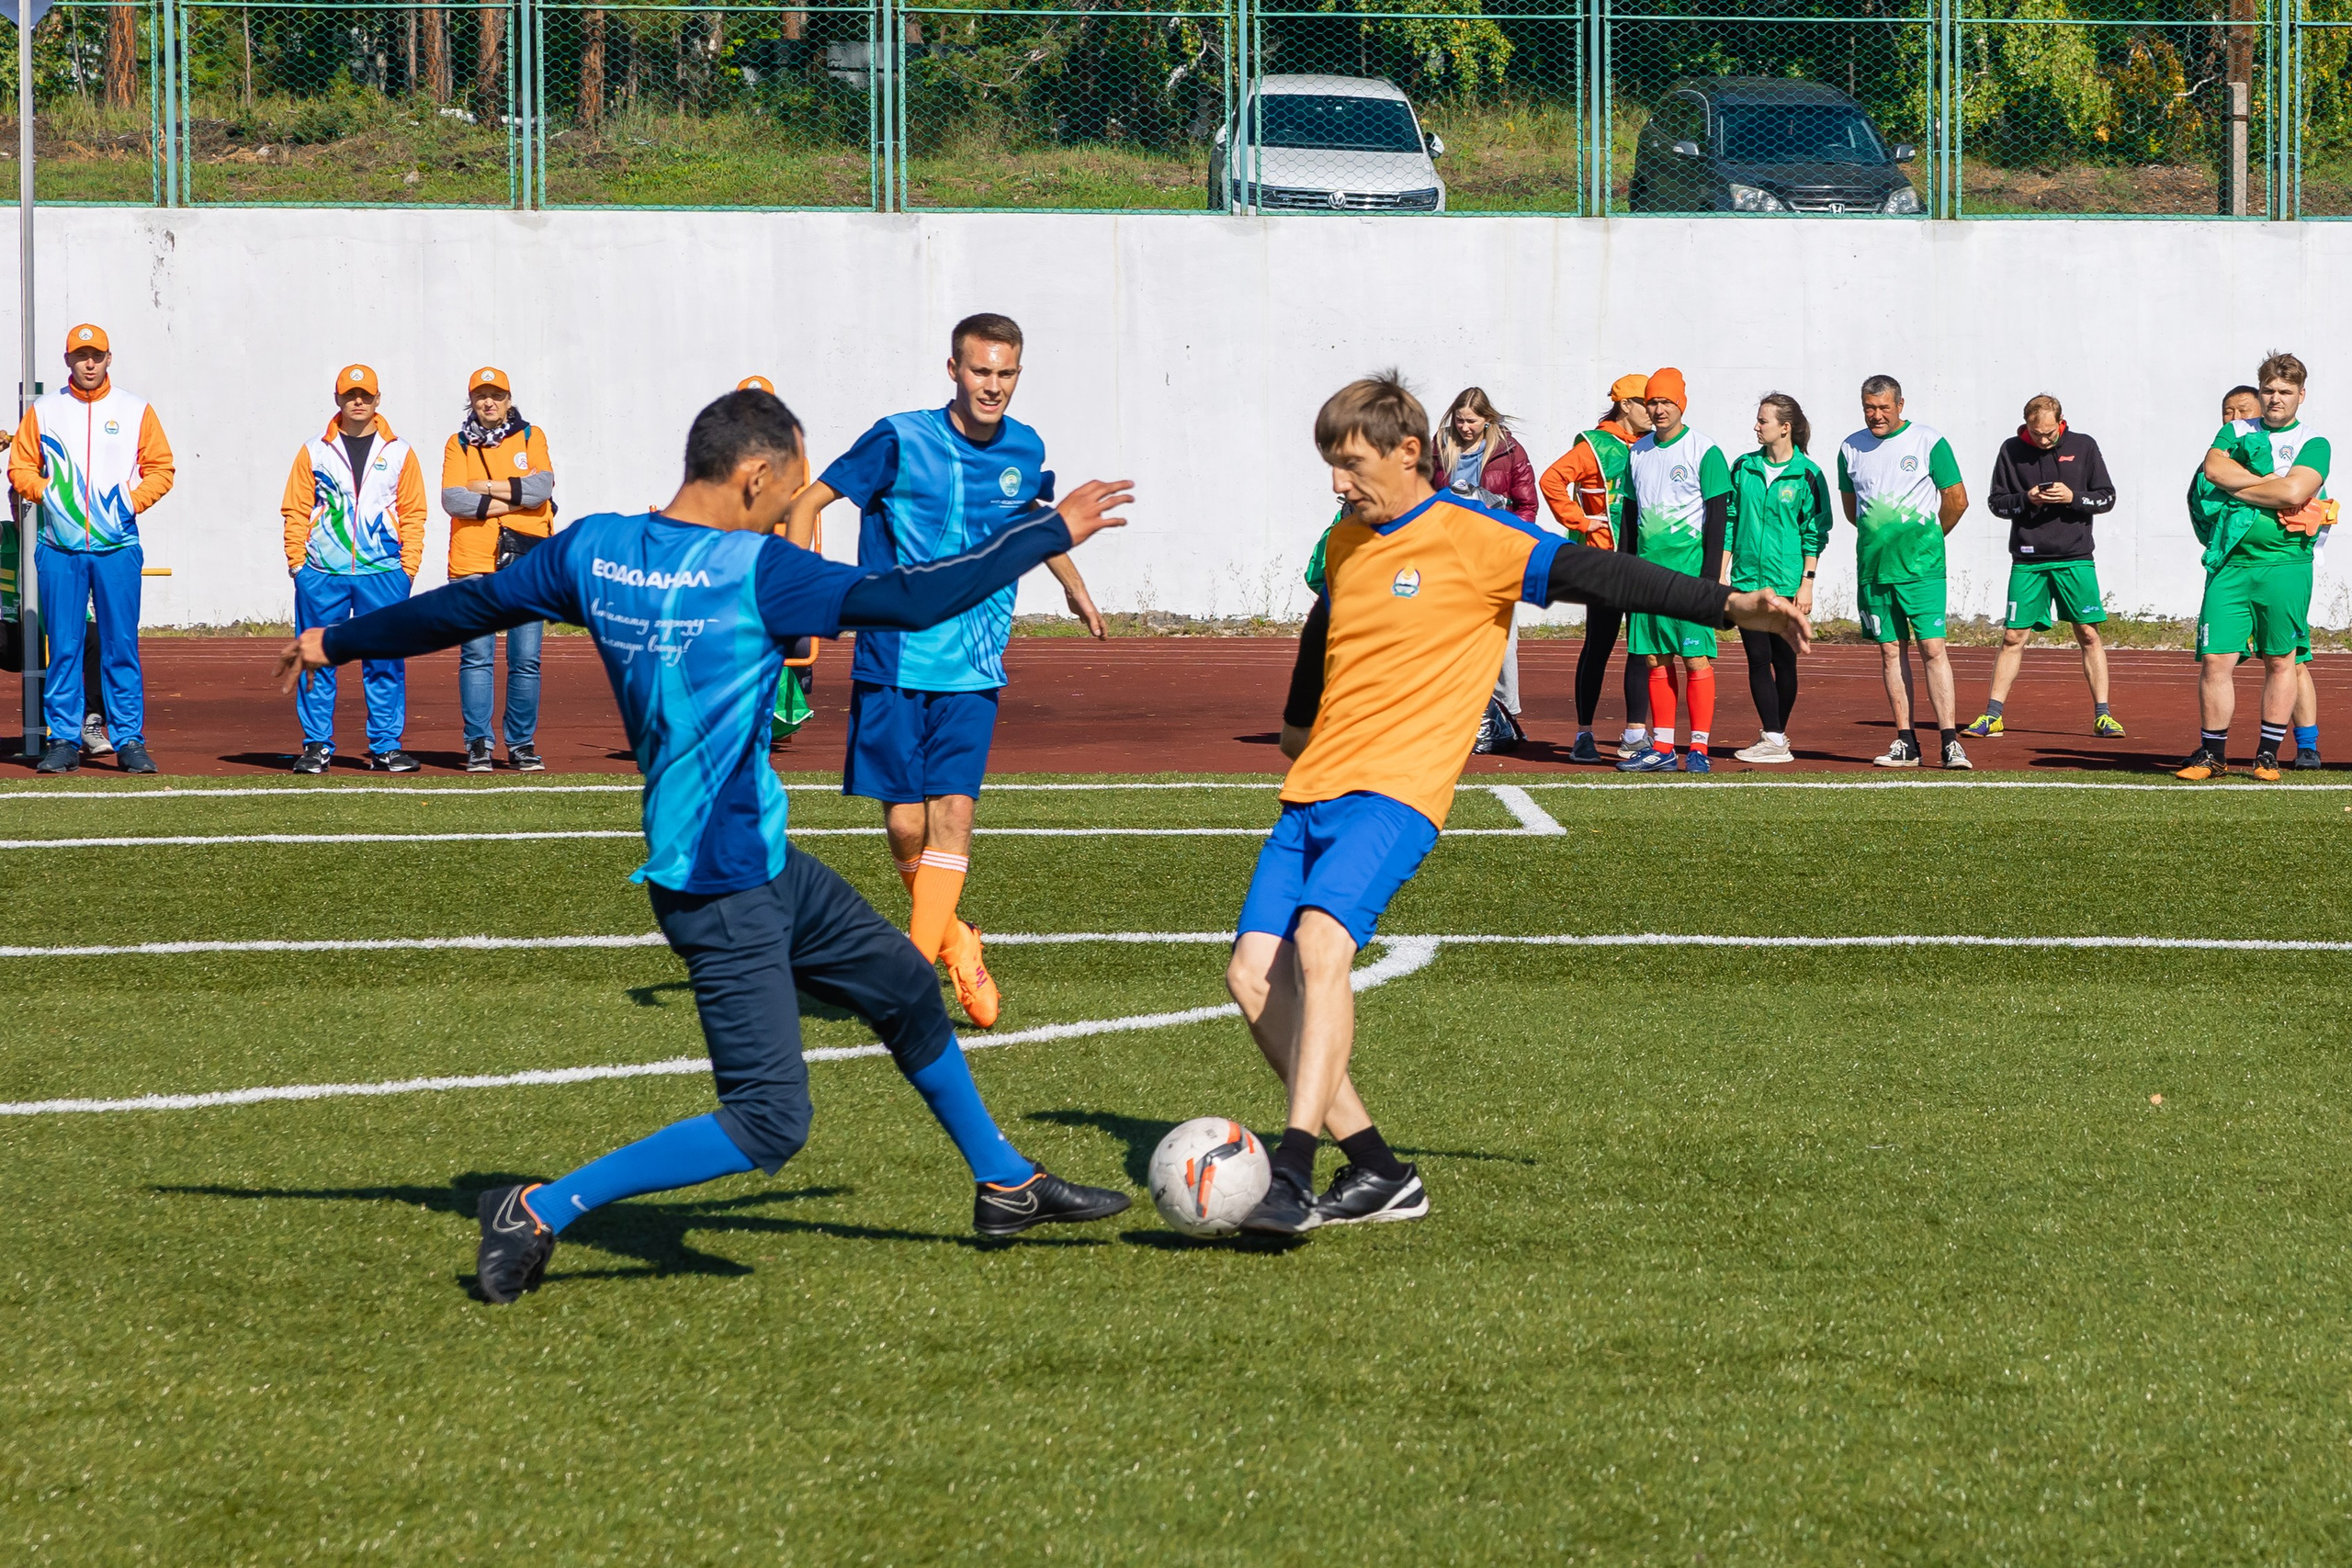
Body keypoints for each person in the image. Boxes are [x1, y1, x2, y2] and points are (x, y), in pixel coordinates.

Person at [275, 388, 1137, 1303]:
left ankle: (1004, 1181)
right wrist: (1047, 532)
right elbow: (915, 599)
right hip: (714, 883)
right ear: (756, 475)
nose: (794, 508)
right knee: (769, 1123)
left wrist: (336, 640)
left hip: (763, 860)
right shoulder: (758, 569)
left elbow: (466, 606)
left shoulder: (597, 548)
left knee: (899, 987)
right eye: (792, 489)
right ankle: (534, 1209)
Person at [1230, 371, 1811, 1235]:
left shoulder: (1480, 537)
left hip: (1397, 791)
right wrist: (1294, 720)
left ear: (1407, 453)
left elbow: (1607, 575)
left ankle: (1292, 1170)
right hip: (1313, 786)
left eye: (1350, 464)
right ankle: (1381, 1171)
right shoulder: (1348, 542)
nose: (1337, 483)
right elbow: (1326, 622)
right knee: (1248, 976)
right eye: (1329, 465)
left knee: (1319, 947)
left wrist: (1731, 605)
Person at [781, 313, 1105, 1030]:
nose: (993, 386)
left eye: (1006, 373)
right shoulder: (900, 437)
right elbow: (809, 500)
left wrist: (1071, 581)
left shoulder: (1026, 447)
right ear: (953, 369)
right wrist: (801, 592)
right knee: (904, 826)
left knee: (953, 813)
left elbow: (1031, 516)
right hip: (893, 654)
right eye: (981, 371)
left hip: (975, 663)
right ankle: (957, 940)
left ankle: (909, 979)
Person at [10, 323, 175, 774]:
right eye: (80, 356)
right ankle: (62, 739)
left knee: (121, 646)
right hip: (59, 548)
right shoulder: (45, 411)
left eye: (96, 356)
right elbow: (20, 465)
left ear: (108, 358)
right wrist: (47, 493)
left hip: (117, 546)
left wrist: (128, 502)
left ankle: (129, 740)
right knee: (64, 646)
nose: (89, 363)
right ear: (67, 361)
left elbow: (161, 468)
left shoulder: (135, 409)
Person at [2177, 352, 2334, 782]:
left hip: (2286, 563)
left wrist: (2242, 486)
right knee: (2215, 660)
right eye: (2268, 390)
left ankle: (2267, 755)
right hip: (2231, 562)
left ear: (2301, 395)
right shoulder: (2235, 429)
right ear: (2259, 391)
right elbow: (2213, 470)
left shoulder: (2314, 443)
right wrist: (2274, 486)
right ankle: (2212, 755)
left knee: (2281, 660)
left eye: (2285, 391)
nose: (2275, 398)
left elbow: (2297, 490)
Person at [281, 364, 427, 774]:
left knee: (384, 661)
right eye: (350, 395)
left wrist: (407, 568)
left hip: (383, 574)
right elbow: (295, 508)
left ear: (378, 400)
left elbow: (414, 512)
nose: (358, 402)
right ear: (338, 399)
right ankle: (316, 746)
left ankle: (385, 746)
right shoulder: (314, 450)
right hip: (322, 574)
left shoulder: (399, 452)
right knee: (317, 659)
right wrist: (298, 565)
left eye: (365, 395)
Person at [1965, 395, 2121, 741]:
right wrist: (2027, 499)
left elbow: (2107, 497)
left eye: (2049, 433)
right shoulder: (2010, 450)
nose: (2044, 440)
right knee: (2012, 636)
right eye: (2037, 434)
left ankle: (2104, 715)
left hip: (2075, 557)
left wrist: (2073, 497)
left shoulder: (2084, 445)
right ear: (2026, 426)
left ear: (2061, 421)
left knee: (2089, 634)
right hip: (2028, 559)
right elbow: (1997, 503)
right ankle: (1992, 715)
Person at [1838, 375, 1971, 770]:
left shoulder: (1929, 441)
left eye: (1883, 407)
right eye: (1869, 407)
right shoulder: (1850, 447)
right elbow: (1852, 510)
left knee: (1933, 648)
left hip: (1922, 568)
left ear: (1900, 405)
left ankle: (1950, 742)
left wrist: (1929, 537)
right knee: (1890, 651)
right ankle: (1906, 742)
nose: (1876, 415)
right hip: (1875, 568)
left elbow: (1957, 501)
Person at [439, 367, 556, 772]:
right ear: (471, 401)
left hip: (526, 562)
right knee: (477, 656)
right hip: (472, 562)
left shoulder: (530, 436)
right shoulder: (458, 444)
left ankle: (521, 743)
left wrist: (485, 487)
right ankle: (478, 743)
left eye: (497, 395)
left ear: (509, 399)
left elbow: (543, 489)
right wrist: (516, 498)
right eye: (481, 395)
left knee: (526, 658)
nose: (489, 402)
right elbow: (454, 500)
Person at [1617, 367, 1730, 774]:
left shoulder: (1704, 451)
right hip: (1646, 578)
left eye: (1666, 401)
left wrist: (1709, 579)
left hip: (1689, 578)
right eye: (1653, 401)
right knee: (1653, 659)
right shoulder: (1638, 452)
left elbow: (1717, 517)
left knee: (1695, 659)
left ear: (1681, 404)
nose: (1659, 409)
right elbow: (1629, 516)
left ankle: (1698, 747)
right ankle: (1663, 746)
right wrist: (1623, 571)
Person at [1540, 374, 1655, 763]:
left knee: (1641, 648)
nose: (1653, 410)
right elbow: (1552, 479)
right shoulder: (1594, 445)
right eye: (1646, 402)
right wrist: (1580, 521)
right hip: (1604, 565)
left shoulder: (1654, 446)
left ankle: (1635, 734)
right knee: (1599, 646)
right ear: (1626, 406)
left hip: (1643, 561)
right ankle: (1584, 733)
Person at [1429, 387, 1540, 752]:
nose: (1464, 427)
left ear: (1487, 419)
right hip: (1450, 555)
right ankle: (1464, 714)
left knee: (1501, 637)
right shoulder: (1439, 446)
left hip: (1494, 554)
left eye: (1471, 420)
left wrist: (1512, 539)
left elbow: (1527, 503)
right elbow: (1421, 493)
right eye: (1459, 420)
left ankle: (1503, 713)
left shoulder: (1509, 451)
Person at [1725, 392, 1830, 764]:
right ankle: (1773, 735)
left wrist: (1807, 582)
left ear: (1785, 428)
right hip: (1747, 582)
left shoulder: (1808, 474)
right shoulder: (1742, 467)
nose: (1757, 426)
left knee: (1785, 661)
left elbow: (1815, 533)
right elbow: (1729, 521)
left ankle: (1775, 736)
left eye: (1763, 421)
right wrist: (1723, 573)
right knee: (1757, 657)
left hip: (1787, 584)